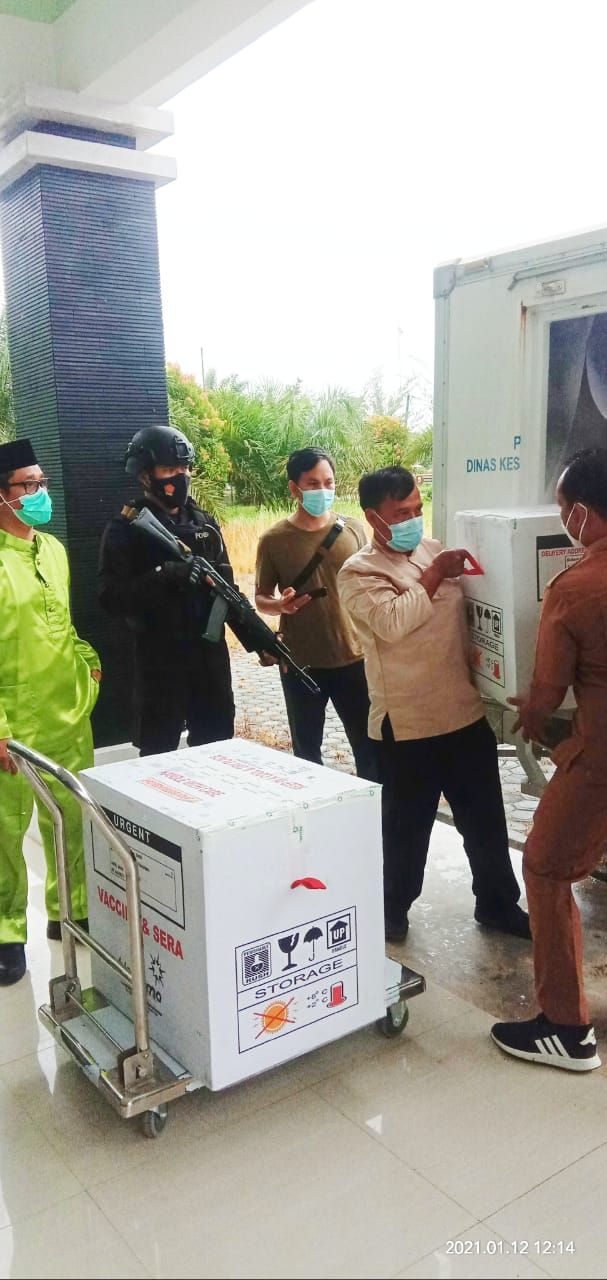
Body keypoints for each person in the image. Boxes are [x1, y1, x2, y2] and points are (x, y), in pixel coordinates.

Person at [338, 465, 529, 942]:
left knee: (486, 822)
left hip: (462, 712)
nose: (412, 520)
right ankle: (391, 909)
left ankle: (497, 903)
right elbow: (392, 622)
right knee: (405, 831)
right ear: (373, 518)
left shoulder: (432, 550)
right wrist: (436, 573)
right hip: (408, 725)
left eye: (417, 510)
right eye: (400, 513)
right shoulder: (359, 571)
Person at [491, 448, 607, 1072]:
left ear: (582, 514)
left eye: (564, 509)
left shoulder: (577, 586)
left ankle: (565, 1029)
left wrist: (531, 720)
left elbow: (546, 692)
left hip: (600, 759)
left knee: (546, 867)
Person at [0, 438, 101, 985]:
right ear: (3, 495)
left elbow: (62, 620)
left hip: (68, 708)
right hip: (13, 717)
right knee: (5, 834)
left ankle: (71, 911)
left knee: (70, 817)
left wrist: (88, 661)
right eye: (29, 485)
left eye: (43, 483)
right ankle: (6, 932)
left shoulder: (54, 550)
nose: (41, 493)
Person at [99, 424, 235, 755]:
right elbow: (110, 598)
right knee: (157, 755)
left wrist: (261, 641)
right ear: (145, 475)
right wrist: (164, 575)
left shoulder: (204, 523)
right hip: (160, 661)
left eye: (185, 468)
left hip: (209, 660)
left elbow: (228, 589)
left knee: (218, 752)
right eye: (170, 469)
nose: (181, 476)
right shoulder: (126, 529)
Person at [255, 447, 376, 779]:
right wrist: (279, 605)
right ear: (294, 489)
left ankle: (375, 807)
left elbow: (370, 583)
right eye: (313, 484)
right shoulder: (274, 540)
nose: (323, 490)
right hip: (300, 663)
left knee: (370, 749)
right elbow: (261, 597)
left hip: (355, 658)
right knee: (306, 754)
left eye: (328, 482)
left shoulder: (353, 529)